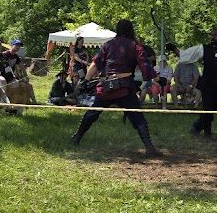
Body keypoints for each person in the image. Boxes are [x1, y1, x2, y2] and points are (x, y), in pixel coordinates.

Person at [69, 18, 161, 156]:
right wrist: (159, 79)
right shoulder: (134, 46)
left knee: (93, 112)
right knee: (138, 117)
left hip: (106, 87)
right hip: (123, 89)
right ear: (130, 30)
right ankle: (149, 148)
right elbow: (145, 65)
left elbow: (95, 64)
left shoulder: (108, 45)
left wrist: (86, 80)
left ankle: (76, 138)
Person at [166, 43, 200, 108]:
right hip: (180, 85)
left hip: (191, 85)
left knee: (198, 91)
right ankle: (176, 106)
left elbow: (196, 78)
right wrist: (179, 86)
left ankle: (195, 107)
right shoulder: (179, 65)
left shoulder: (193, 66)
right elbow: (175, 77)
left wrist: (191, 86)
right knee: (172, 88)